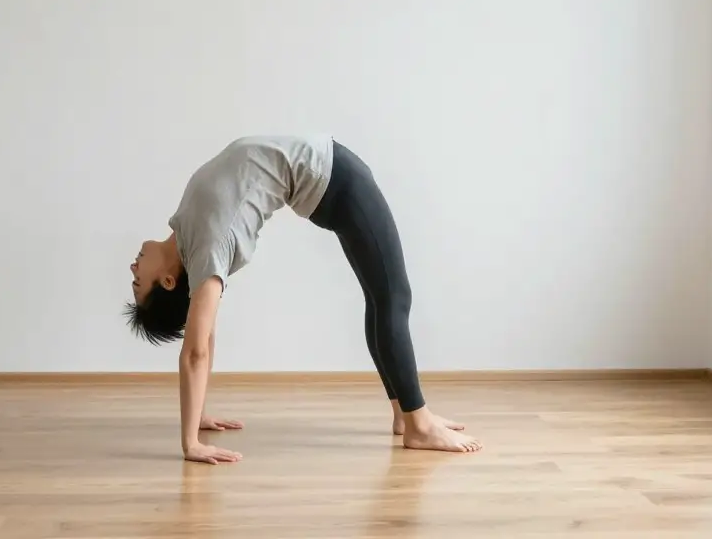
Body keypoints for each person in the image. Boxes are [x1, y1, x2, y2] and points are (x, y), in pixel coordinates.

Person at [124, 134, 483, 464]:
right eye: (139, 284)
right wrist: (191, 443)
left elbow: (205, 332)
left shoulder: (190, 236)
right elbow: (196, 349)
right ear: (168, 282)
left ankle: (404, 415)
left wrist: (198, 413)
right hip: (339, 182)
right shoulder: (209, 247)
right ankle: (418, 424)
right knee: (393, 297)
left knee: (381, 297)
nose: (132, 269)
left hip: (333, 177)